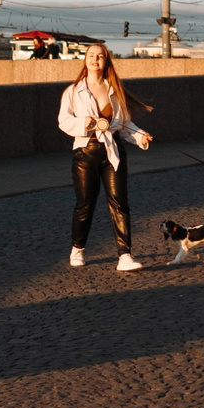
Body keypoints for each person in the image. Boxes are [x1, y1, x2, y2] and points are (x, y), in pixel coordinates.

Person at [60, 42, 153, 270]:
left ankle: (125, 256)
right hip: (85, 151)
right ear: (85, 60)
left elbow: (124, 124)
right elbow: (63, 121)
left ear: (106, 61)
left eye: (100, 56)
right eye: (91, 55)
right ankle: (77, 249)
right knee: (85, 204)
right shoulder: (73, 91)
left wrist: (140, 136)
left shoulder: (114, 89)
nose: (95, 59)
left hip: (113, 151)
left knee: (119, 203)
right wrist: (85, 123)